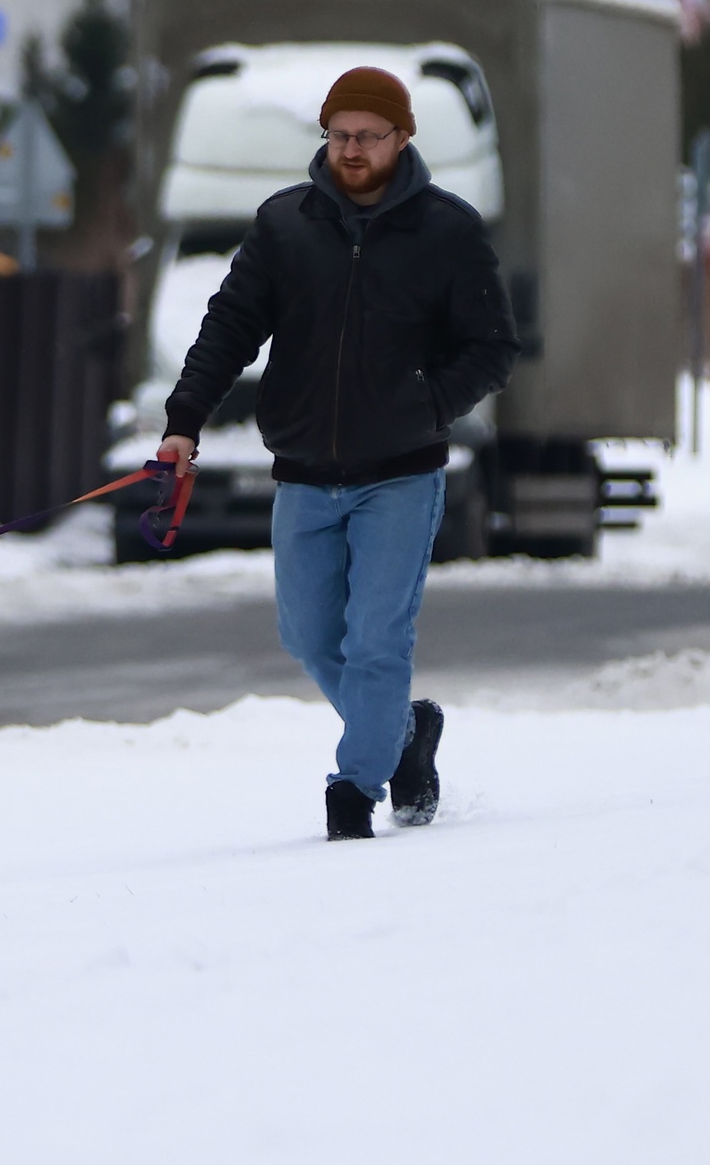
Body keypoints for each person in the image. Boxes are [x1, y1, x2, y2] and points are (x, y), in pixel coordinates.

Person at [156, 66, 518, 840]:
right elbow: (228, 328)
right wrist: (185, 419)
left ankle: (353, 790)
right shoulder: (286, 225)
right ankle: (406, 735)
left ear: (402, 137)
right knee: (310, 636)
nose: (352, 149)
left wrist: (423, 404)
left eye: (369, 136)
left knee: (378, 640)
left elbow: (492, 349)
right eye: (340, 134)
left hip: (401, 474)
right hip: (305, 475)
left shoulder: (447, 230)